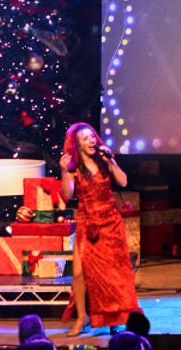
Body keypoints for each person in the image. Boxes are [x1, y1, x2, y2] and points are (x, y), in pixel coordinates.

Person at [47, 122, 141, 336]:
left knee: (113, 273)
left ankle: (116, 319)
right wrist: (63, 171)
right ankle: (82, 318)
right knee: (79, 274)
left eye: (92, 137)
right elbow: (67, 195)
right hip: (88, 223)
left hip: (110, 222)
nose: (91, 141)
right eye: (85, 138)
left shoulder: (103, 159)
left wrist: (112, 161)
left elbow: (123, 181)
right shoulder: (74, 167)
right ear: (77, 144)